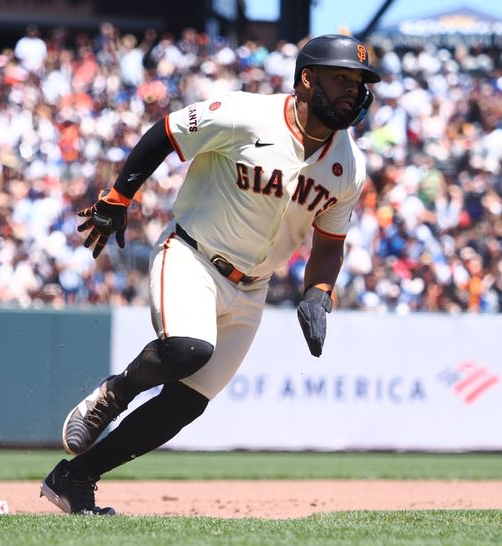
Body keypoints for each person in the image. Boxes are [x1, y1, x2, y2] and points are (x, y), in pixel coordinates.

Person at [40, 34, 381, 514]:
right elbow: (168, 131)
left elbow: (329, 245)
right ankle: (111, 395)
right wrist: (120, 197)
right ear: (307, 80)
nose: (353, 88)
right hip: (193, 256)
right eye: (341, 77)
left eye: (360, 81)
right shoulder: (247, 114)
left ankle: (73, 478)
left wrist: (318, 293)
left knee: (186, 405)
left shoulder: (349, 166)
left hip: (252, 288)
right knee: (187, 349)